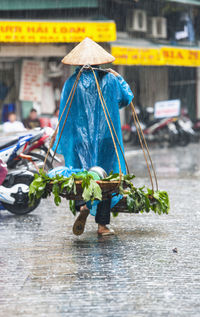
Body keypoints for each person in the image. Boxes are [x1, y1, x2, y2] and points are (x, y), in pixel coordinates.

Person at [55, 37, 134, 236]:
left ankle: (82, 205)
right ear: (101, 61)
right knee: (105, 179)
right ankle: (102, 225)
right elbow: (126, 99)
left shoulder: (72, 83)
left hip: (80, 141)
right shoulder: (110, 80)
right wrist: (118, 77)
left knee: (82, 175)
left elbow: (64, 113)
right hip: (107, 139)